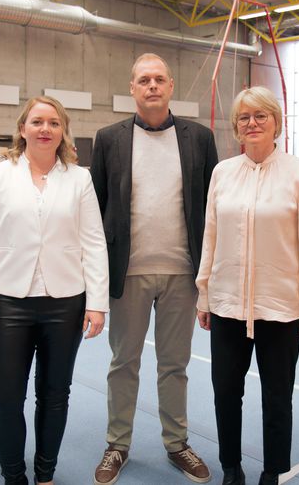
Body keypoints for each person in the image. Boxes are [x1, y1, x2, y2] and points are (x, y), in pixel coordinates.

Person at [0, 95, 109, 485]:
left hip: (66, 304)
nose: (45, 129)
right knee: (7, 399)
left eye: (54, 123)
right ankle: (16, 476)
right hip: (9, 301)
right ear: (23, 128)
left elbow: (94, 242)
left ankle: (45, 474)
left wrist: (97, 303)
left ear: (62, 131)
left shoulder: (80, 178)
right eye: (37, 122)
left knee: (55, 395)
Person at [90, 53, 218, 485]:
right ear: (132, 87)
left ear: (171, 85)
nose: (152, 86)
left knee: (174, 365)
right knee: (123, 361)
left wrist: (210, 276)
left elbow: (211, 209)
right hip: (128, 274)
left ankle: (177, 443)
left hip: (183, 273)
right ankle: (117, 445)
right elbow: (97, 209)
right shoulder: (108, 139)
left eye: (159, 79)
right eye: (143, 79)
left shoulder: (199, 138)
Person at [195, 86, 299, 485]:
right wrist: (205, 294)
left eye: (261, 116)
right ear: (236, 127)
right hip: (227, 305)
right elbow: (211, 237)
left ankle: (272, 471)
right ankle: (231, 468)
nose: (252, 123)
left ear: (276, 123)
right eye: (244, 117)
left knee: (276, 397)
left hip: (280, 306)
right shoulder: (223, 173)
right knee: (226, 393)